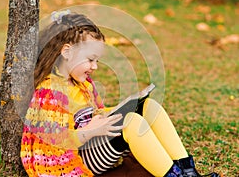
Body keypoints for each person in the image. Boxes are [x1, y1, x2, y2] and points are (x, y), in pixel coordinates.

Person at [20, 10, 220, 177]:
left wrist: (117, 108)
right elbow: (53, 141)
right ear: (66, 52)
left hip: (92, 145)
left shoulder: (82, 84)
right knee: (131, 123)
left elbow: (91, 114)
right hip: (77, 159)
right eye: (90, 59)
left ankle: (189, 171)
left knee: (148, 107)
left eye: (97, 60)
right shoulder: (51, 92)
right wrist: (90, 132)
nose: (95, 66)